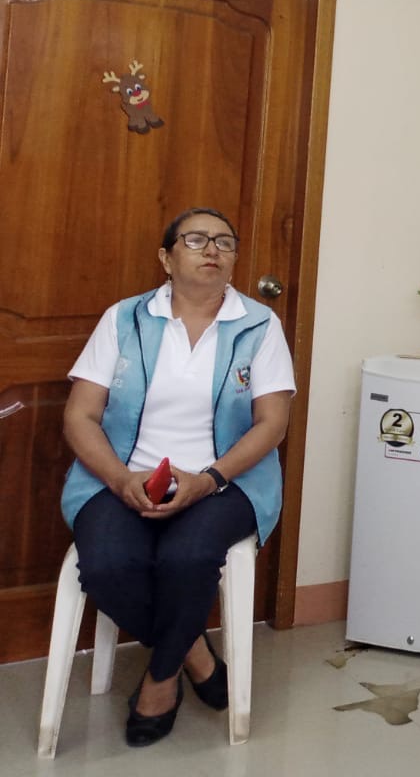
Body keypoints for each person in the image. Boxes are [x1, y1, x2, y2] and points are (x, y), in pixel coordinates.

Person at [61, 207, 296, 747]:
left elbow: (272, 423)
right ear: (166, 259)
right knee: (107, 564)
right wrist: (120, 479)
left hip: (227, 481)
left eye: (224, 241)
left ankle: (160, 682)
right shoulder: (123, 319)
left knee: (187, 557)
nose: (212, 249)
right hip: (120, 475)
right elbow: (80, 416)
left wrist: (208, 479)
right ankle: (196, 656)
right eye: (195, 239)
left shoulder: (260, 324)